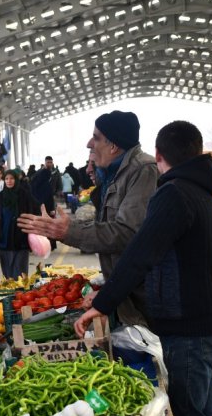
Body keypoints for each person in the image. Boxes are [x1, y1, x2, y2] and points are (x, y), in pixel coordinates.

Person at [74, 121, 212, 416]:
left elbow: (140, 253)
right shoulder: (205, 191)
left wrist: (103, 303)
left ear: (158, 155)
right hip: (206, 319)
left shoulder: (174, 193)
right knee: (202, 405)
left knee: (189, 410)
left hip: (188, 328)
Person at [19, 110, 158, 327]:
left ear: (114, 146)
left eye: (96, 137)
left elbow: (128, 233)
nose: (89, 144)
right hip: (127, 295)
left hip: (144, 300)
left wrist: (67, 231)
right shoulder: (116, 174)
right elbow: (107, 226)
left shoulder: (142, 170)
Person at [0, 170, 41, 279]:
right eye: (6, 179)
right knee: (7, 274)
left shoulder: (24, 194)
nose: (9, 181)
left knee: (20, 274)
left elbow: (36, 208)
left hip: (20, 238)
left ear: (16, 180)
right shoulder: (1, 196)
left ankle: (21, 294)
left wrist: (33, 227)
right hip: (4, 239)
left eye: (12, 178)